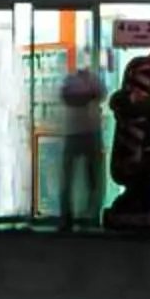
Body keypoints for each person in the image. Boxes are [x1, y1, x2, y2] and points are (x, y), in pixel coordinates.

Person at [56, 57, 108, 230]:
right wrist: (88, 96)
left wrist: (82, 96)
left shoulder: (85, 80)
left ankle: (86, 215)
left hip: (85, 132)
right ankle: (74, 216)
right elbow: (69, 98)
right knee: (81, 177)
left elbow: (96, 96)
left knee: (88, 176)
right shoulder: (74, 80)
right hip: (83, 132)